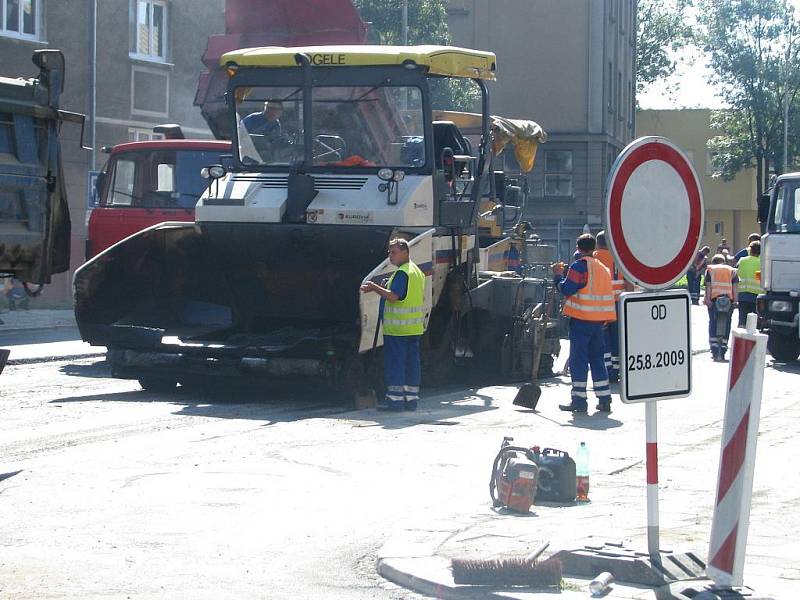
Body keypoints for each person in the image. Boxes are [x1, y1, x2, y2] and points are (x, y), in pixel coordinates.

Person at [360, 239, 427, 412]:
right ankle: (411, 400)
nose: (390, 256)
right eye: (389, 253)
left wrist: (374, 287)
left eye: (394, 252)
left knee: (395, 364)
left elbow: (394, 296)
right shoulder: (416, 271)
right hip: (413, 329)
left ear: (405, 252)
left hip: (398, 329)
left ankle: (395, 402)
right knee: (412, 364)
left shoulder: (402, 273)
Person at [553, 233, 616, 414]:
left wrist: (558, 276)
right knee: (597, 360)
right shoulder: (602, 268)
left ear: (578, 249)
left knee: (578, 361)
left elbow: (567, 289)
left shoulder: (579, 266)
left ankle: (579, 401)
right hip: (598, 323)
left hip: (581, 321)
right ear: (594, 248)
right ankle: (604, 399)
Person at [593, 231, 627, 383]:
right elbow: (629, 283)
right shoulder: (620, 259)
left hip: (601, 305)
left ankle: (608, 371)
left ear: (598, 243)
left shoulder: (594, 258)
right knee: (617, 338)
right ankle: (618, 369)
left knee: (603, 340)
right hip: (619, 304)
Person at [704, 254, 738, 361]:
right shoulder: (732, 270)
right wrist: (735, 301)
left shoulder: (710, 269)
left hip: (714, 300)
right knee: (727, 323)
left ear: (714, 262)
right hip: (729, 300)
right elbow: (735, 288)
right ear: (723, 262)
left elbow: (708, 286)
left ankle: (714, 350)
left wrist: (707, 300)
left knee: (713, 322)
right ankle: (723, 350)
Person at [735, 240, 761, 327]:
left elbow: (737, 274)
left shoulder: (742, 260)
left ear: (750, 250)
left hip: (743, 294)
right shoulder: (761, 262)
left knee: (742, 320)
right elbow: (758, 277)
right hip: (757, 295)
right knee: (755, 322)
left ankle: (741, 336)